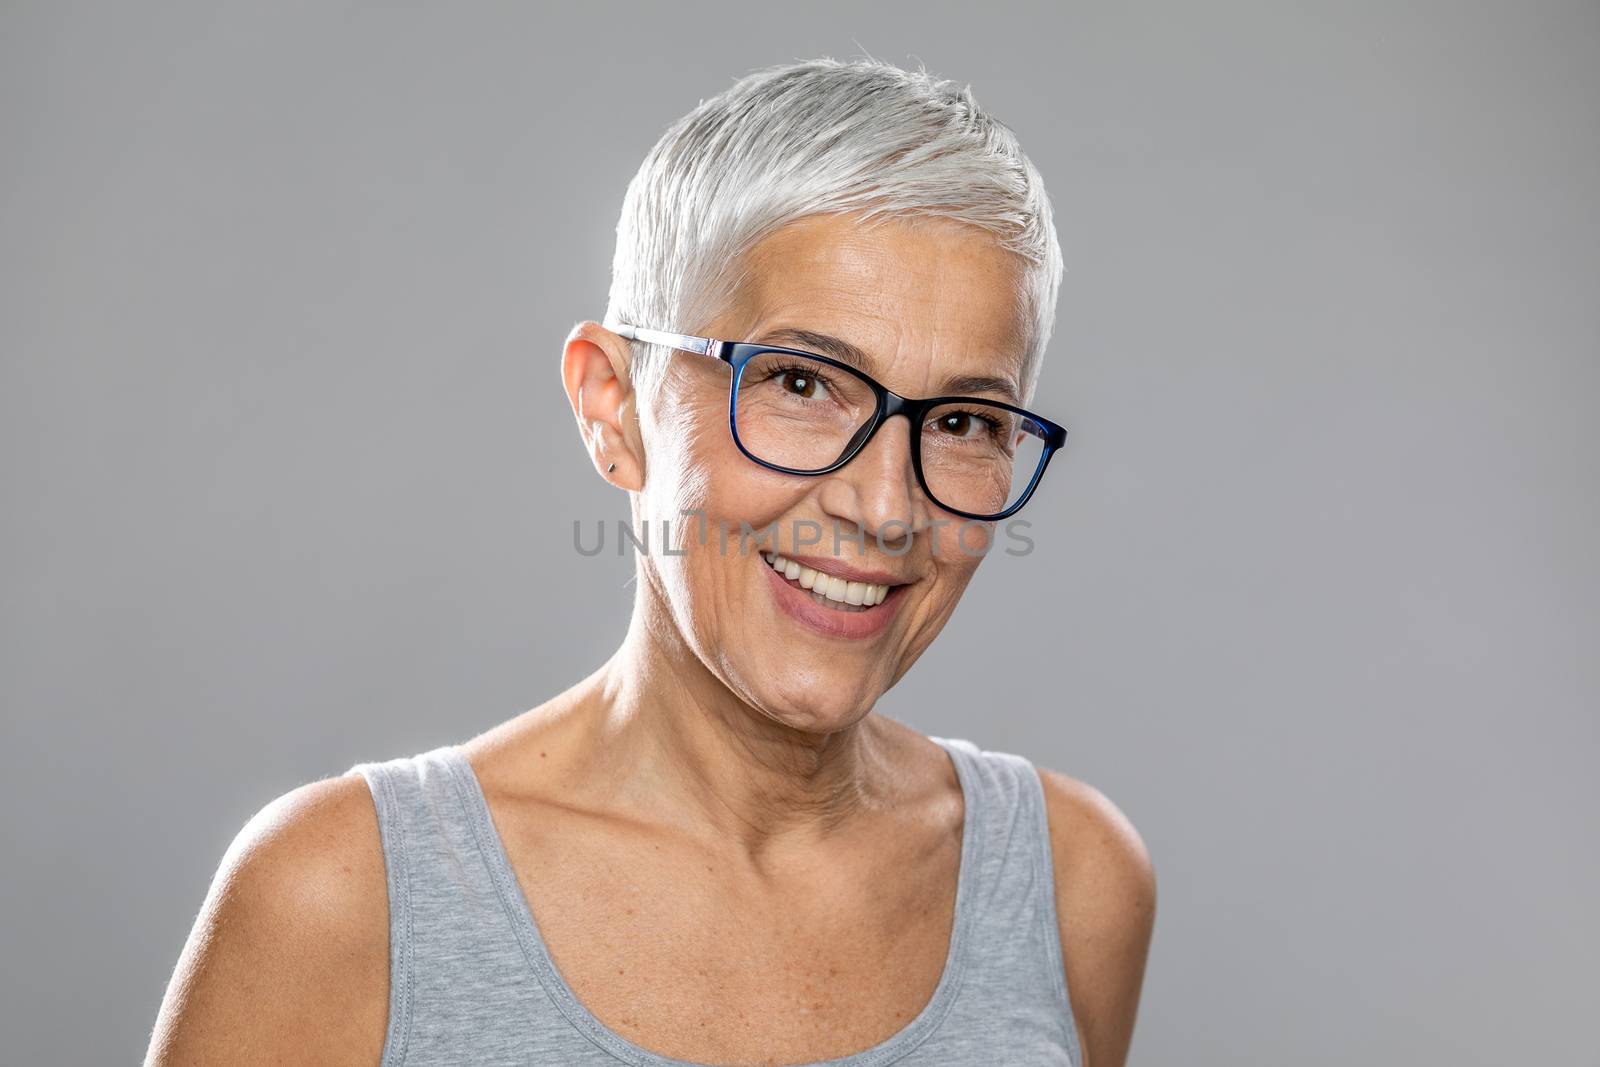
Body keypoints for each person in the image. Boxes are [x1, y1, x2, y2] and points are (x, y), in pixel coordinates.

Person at [145, 57, 1156, 1067]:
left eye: (967, 419)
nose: (886, 507)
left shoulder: (1069, 882)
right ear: (612, 406)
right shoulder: (343, 896)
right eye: (801, 381)